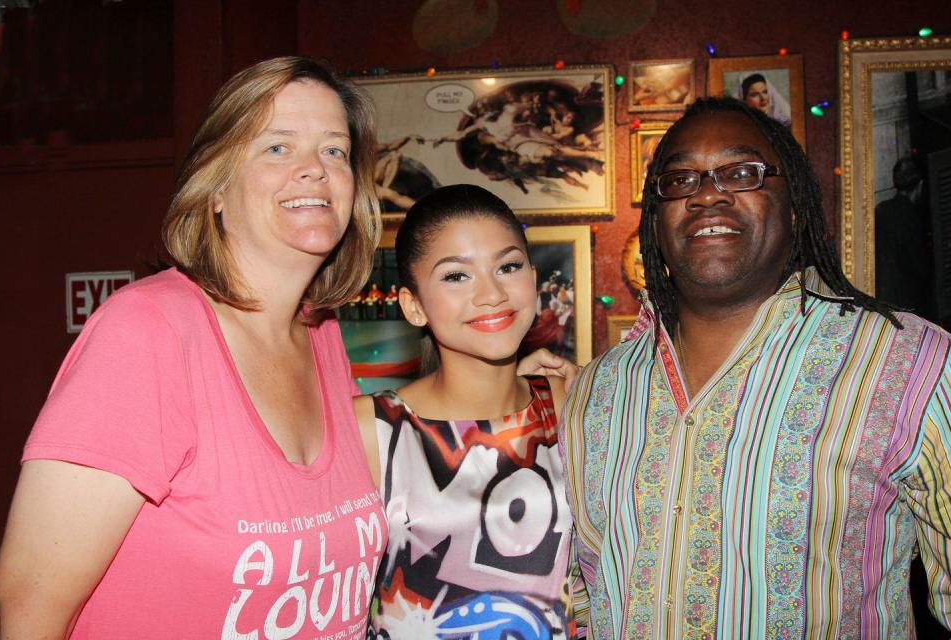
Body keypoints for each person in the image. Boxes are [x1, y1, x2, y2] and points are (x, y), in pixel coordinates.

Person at [0, 57, 573, 639]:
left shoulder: (320, 338)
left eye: (334, 151)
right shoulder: (149, 331)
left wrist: (506, 378)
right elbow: (22, 613)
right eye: (277, 147)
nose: (314, 171)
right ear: (215, 187)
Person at [561, 96, 951, 638]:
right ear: (657, 219)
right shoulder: (596, 389)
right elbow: (581, 600)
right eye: (680, 181)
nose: (706, 194)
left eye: (741, 172)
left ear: (795, 205)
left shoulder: (911, 363)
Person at [354, 185, 586, 638]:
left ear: (534, 278)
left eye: (508, 266)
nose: (492, 293)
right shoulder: (373, 428)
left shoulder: (567, 404)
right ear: (414, 305)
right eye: (457, 276)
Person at [875, 156, 933, 317]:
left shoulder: (881, 210)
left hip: (882, 298)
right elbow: (920, 267)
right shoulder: (912, 218)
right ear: (920, 185)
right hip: (907, 303)